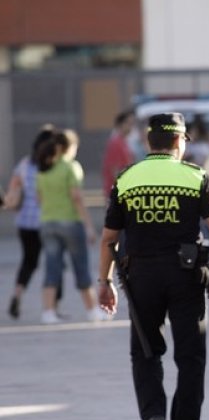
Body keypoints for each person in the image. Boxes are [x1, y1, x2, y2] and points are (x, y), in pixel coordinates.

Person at [97, 113, 209, 420]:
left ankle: (154, 414)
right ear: (180, 141)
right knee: (191, 359)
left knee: (145, 352)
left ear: (149, 141)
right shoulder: (195, 176)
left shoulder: (127, 178)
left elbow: (109, 238)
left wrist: (104, 282)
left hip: (140, 277)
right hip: (186, 277)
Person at [37, 130, 104, 324]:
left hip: (47, 222)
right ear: (69, 147)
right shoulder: (71, 167)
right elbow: (77, 197)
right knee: (81, 267)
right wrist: (89, 226)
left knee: (52, 268)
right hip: (70, 222)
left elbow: (40, 198)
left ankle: (48, 312)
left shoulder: (44, 168)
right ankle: (92, 310)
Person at [4, 126, 58, 319]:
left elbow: (12, 191)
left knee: (28, 262)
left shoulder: (24, 164)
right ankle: (52, 305)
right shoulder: (53, 165)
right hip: (48, 221)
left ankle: (17, 293)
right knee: (55, 262)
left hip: (24, 223)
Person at [102, 110, 136, 199]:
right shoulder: (115, 143)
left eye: (132, 123)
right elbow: (114, 170)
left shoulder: (124, 142)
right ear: (120, 124)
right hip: (117, 193)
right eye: (129, 123)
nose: (131, 127)